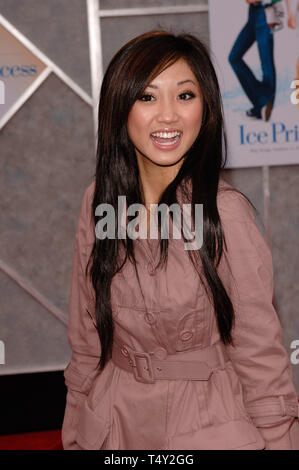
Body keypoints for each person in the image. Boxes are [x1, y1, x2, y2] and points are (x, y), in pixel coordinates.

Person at [61, 30, 299, 450]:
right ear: (121, 108)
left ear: (205, 110)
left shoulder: (224, 213)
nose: (168, 116)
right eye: (148, 97)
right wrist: (75, 427)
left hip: (203, 423)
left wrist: (280, 440)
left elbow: (259, 355)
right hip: (114, 422)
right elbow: (86, 334)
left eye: (185, 96)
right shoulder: (98, 200)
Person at [228, 0, 279, 121]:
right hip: (253, 13)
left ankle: (260, 105)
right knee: (234, 57)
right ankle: (261, 102)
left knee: (266, 63)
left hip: (264, 12)